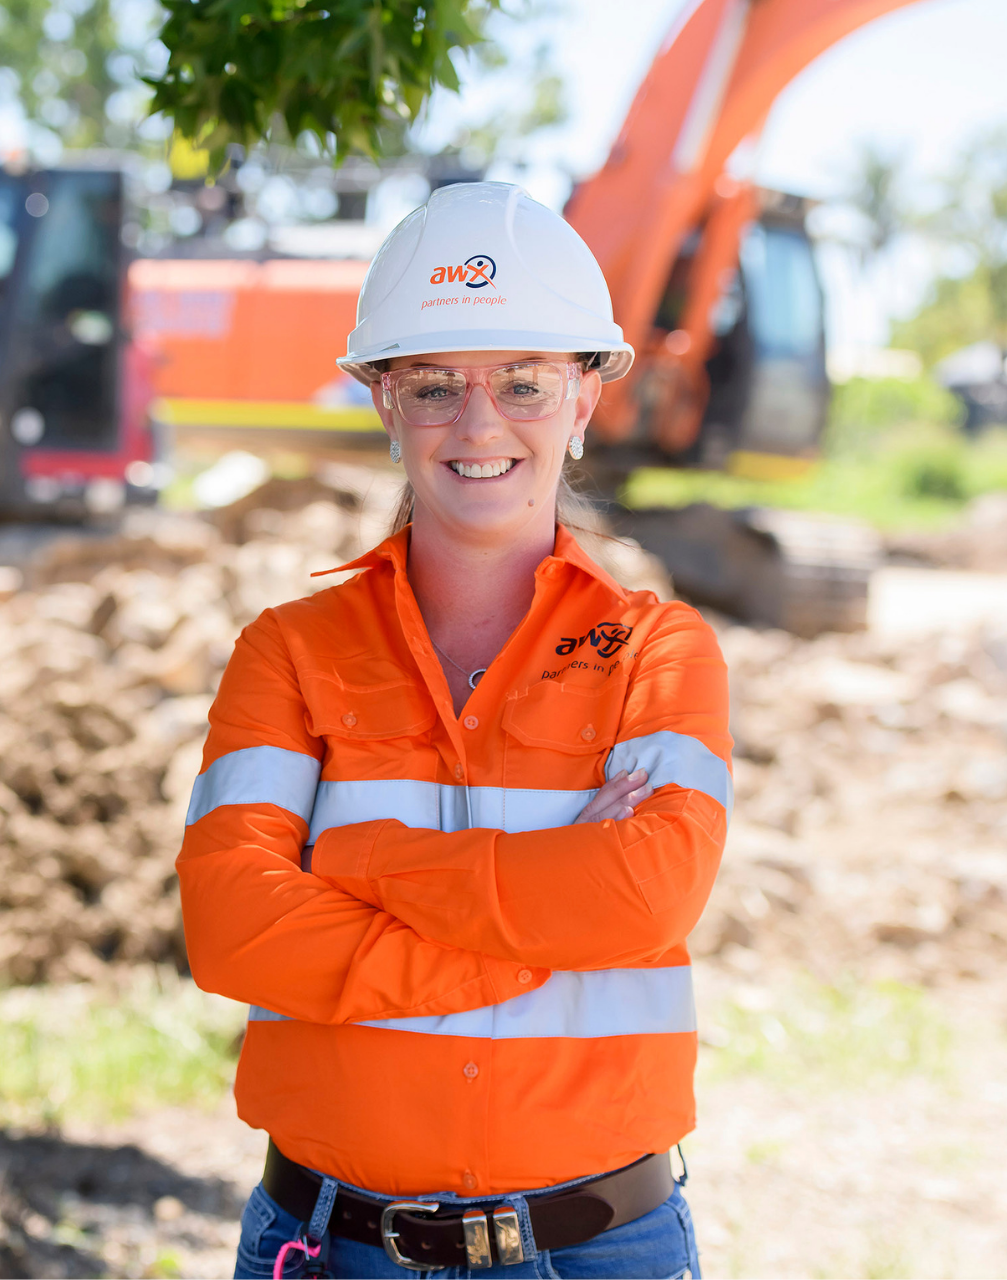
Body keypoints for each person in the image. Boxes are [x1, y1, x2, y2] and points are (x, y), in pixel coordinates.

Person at [177, 182, 731, 1280]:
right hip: (338, 1248)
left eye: (524, 382)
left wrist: (359, 859)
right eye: (435, 386)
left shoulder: (661, 652)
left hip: (597, 1249)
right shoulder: (288, 650)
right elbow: (233, 924)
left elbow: (647, 892)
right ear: (383, 400)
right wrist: (517, 943)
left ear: (583, 399)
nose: (480, 424)